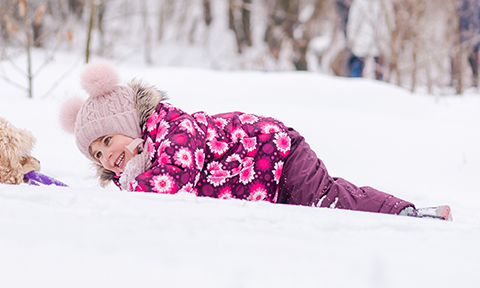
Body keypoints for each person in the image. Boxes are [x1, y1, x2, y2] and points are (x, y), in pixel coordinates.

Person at [59, 61, 452, 220]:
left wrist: (126, 189)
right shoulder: (142, 163)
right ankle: (402, 211)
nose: (107, 155)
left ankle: (407, 217)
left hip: (276, 155)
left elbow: (174, 181)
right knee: (325, 200)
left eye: (108, 140)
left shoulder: (170, 127)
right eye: (97, 153)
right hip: (262, 182)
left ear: (130, 121)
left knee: (326, 201)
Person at [345, 0, 389, 80]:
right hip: (363, 38)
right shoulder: (359, 0)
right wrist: (351, 37)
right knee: (358, 64)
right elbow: (353, 21)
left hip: (376, 39)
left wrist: (386, 38)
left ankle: (379, 86)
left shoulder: (382, 1)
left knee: (377, 66)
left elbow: (387, 21)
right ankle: (356, 83)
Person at [452, 0, 480, 88]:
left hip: (471, 31)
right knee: (458, 54)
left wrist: (470, 31)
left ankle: (474, 80)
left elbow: (472, 16)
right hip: (464, 30)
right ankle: (455, 80)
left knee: (472, 56)